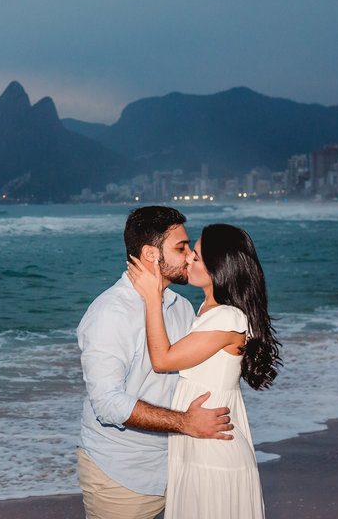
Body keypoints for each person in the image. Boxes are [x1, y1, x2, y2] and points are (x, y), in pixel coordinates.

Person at [77, 206, 234, 519]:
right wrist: (185, 422)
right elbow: (108, 404)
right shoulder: (110, 314)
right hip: (122, 476)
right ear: (151, 254)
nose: (190, 256)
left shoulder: (180, 307)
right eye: (180, 247)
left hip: (177, 467)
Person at [128, 223, 282, 519]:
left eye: (195, 256)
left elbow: (163, 360)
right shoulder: (210, 310)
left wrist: (151, 297)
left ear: (218, 267)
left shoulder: (226, 316)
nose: (187, 259)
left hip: (213, 450)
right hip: (202, 437)